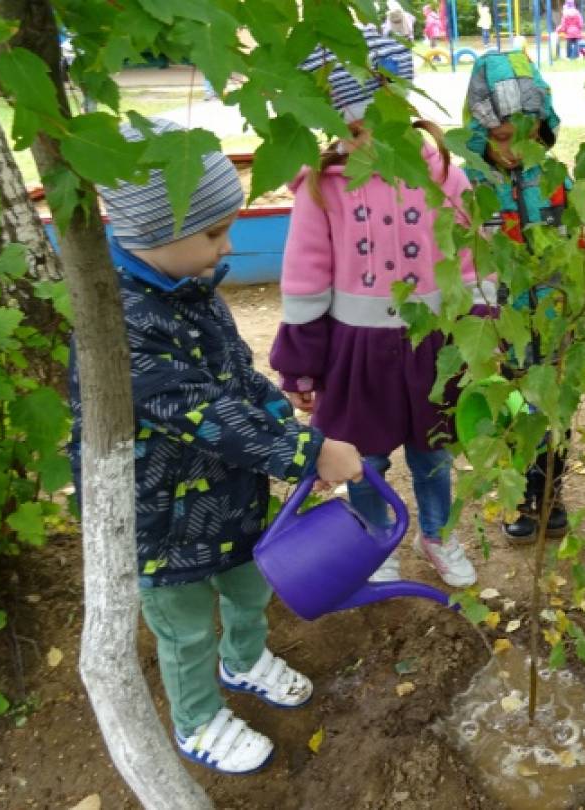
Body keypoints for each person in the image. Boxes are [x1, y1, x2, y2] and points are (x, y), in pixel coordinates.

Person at [69, 119, 365, 775]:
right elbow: (202, 411)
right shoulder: (120, 323)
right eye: (211, 232)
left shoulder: (192, 289)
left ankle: (244, 657)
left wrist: (279, 412)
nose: (225, 246)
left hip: (225, 492)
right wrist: (308, 453)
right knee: (182, 627)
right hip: (159, 516)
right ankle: (198, 719)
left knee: (247, 582)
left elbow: (231, 377)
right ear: (148, 231)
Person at [271, 39, 491, 589]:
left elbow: (470, 255)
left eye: (379, 124)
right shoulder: (324, 190)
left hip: (433, 349)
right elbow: (306, 280)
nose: (367, 141)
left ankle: (437, 532)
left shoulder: (444, 175)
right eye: (353, 128)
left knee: (435, 455)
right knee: (365, 458)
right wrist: (301, 367)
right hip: (358, 354)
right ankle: (376, 533)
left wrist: (482, 322)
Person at [462, 51, 570, 544]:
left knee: (550, 410)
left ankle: (550, 492)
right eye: (502, 138)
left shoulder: (554, 179)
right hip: (495, 323)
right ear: (481, 128)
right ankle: (516, 497)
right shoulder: (466, 185)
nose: (514, 150)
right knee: (507, 411)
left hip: (550, 318)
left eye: (528, 137)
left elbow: (577, 249)